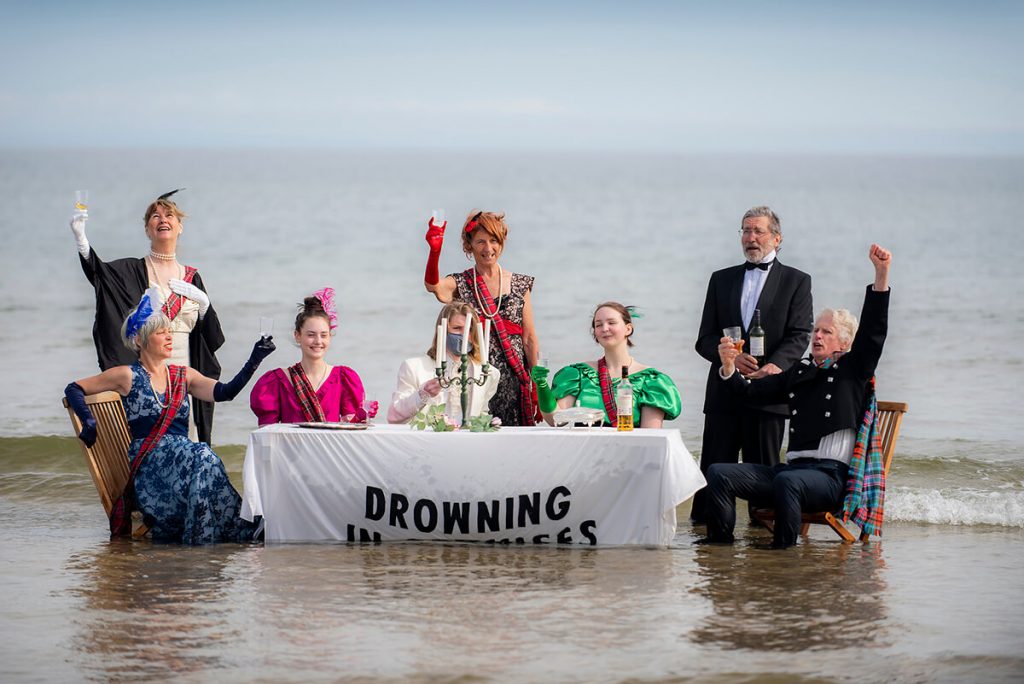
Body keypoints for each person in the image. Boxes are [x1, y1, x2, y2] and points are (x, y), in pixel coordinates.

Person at [698, 244, 892, 549]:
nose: (816, 336)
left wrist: (881, 275)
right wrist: (727, 367)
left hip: (829, 477)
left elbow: (874, 331)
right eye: (815, 330)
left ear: (845, 341)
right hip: (791, 472)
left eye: (826, 332)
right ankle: (719, 549)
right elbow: (749, 393)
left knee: (788, 482)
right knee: (719, 472)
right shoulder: (799, 373)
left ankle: (783, 554)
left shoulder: (853, 370)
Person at [64, 287, 276, 544]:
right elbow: (75, 388)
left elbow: (225, 392)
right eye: (160, 332)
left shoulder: (183, 375)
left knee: (203, 458)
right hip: (152, 473)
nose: (168, 337)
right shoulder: (126, 375)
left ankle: (203, 539)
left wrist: (254, 359)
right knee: (204, 456)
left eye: (169, 331)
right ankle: (233, 533)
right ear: (140, 341)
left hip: (186, 469)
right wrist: (88, 421)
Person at [70, 189, 224, 443]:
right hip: (149, 371)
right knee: (150, 437)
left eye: (169, 215)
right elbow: (100, 276)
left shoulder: (192, 276)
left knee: (189, 439)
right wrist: (81, 240)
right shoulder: (132, 270)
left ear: (180, 226)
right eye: (155, 216)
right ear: (147, 229)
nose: (162, 219)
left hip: (186, 367)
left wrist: (204, 304)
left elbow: (211, 337)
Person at [691, 206, 813, 523]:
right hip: (723, 392)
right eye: (746, 231)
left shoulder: (797, 281)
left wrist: (775, 366)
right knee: (712, 470)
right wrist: (724, 355)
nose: (751, 238)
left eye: (758, 231)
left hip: (769, 394)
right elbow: (704, 338)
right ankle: (707, 544)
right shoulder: (721, 279)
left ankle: (764, 545)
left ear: (776, 237)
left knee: (763, 475)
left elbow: (800, 335)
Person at [423, 210, 539, 426]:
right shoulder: (461, 282)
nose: (488, 248)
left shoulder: (521, 284)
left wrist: (538, 386)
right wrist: (434, 252)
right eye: (480, 242)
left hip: (514, 382)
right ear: (469, 246)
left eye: (494, 241)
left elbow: (529, 339)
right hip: (474, 380)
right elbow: (434, 287)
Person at [532, 302, 681, 428]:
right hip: (584, 454)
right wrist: (542, 386)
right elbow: (556, 419)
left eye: (611, 323)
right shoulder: (579, 374)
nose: (604, 328)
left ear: (628, 329)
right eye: (598, 325)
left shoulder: (651, 381)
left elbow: (650, 439)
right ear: (595, 333)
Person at [250, 288, 376, 425]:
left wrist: (361, 417)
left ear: (330, 336)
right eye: (311, 334)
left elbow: (349, 432)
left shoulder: (343, 378)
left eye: (323, 335)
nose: (318, 341)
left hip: (329, 447)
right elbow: (267, 435)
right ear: (297, 336)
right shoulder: (277, 381)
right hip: (292, 447)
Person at [388, 301, 501, 424]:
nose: (463, 335)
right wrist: (422, 395)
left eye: (469, 329)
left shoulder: (490, 373)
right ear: (443, 331)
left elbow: (481, 413)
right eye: (457, 328)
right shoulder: (414, 368)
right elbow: (394, 417)